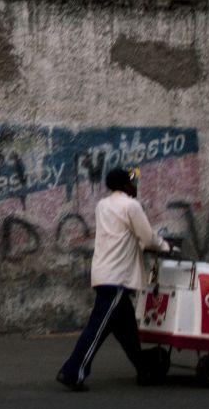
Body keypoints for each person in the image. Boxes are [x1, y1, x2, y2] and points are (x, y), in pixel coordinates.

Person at [56, 167, 175, 391]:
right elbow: (148, 238)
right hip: (117, 278)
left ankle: (144, 370)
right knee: (97, 329)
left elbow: (122, 235)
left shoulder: (103, 205)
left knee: (127, 331)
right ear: (125, 186)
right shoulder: (131, 206)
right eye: (132, 183)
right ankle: (73, 372)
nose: (135, 186)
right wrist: (165, 246)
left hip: (104, 273)